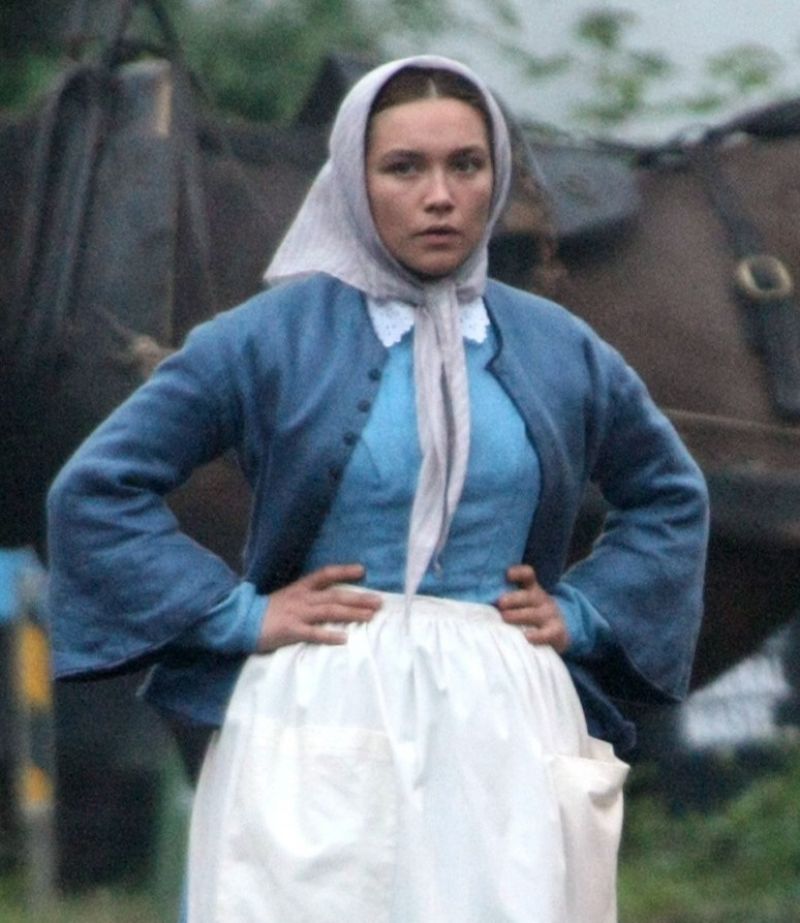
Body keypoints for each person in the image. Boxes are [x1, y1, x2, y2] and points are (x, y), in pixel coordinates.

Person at [46, 54, 709, 923]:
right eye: (404, 167)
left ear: (497, 178)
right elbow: (98, 489)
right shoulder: (265, 339)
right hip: (321, 699)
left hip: (506, 715)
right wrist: (237, 616)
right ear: (353, 181)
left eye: (466, 165)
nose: (440, 196)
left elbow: (670, 495)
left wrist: (584, 616)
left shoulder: (560, 348)